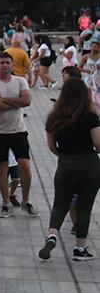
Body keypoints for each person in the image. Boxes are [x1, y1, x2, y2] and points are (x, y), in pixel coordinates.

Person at [38, 77, 100, 262]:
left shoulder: (54, 117)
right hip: (90, 166)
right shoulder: (90, 116)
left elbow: (51, 146)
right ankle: (79, 249)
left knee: (60, 204)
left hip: (65, 166)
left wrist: (64, 155)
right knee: (84, 208)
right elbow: (98, 143)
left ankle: (52, 234)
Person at [0, 52, 36, 218]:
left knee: (25, 165)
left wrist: (4, 99)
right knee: (2, 168)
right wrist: (15, 101)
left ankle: (26, 201)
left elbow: (27, 101)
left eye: (7, 63)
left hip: (18, 130)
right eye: (2, 63)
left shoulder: (20, 81)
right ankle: (5, 202)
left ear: (12, 65)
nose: (5, 66)